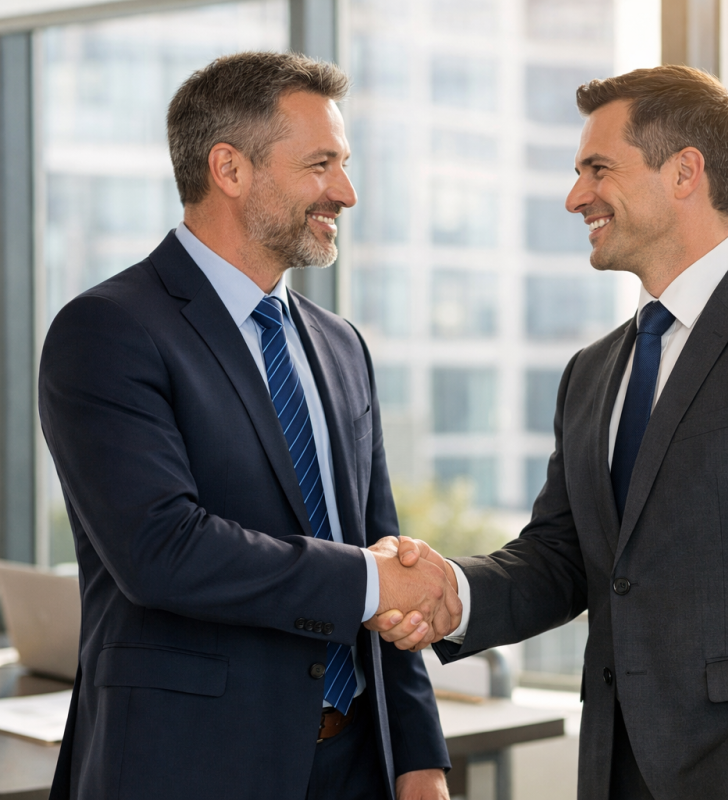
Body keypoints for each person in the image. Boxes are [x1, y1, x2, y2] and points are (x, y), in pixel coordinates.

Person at [380, 65, 728, 800]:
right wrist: (456, 590)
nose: (576, 197)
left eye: (598, 169)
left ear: (685, 172)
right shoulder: (592, 371)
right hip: (616, 769)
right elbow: (563, 556)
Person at [39, 52, 461, 800]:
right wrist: (369, 578)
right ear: (228, 170)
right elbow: (162, 548)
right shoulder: (108, 331)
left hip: (357, 766)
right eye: (320, 164)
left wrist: (418, 760)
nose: (347, 191)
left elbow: (382, 548)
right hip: (190, 769)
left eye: (345, 164)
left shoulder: (340, 344)